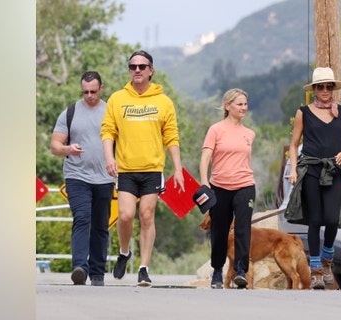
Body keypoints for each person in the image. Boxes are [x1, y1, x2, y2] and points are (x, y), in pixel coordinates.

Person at [101, 50, 185, 287]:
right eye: (132, 66)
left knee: (147, 216)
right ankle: (124, 252)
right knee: (126, 215)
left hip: (152, 168)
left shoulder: (163, 102)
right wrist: (109, 157)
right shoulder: (117, 99)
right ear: (129, 70)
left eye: (141, 66)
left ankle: (143, 268)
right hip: (126, 168)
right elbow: (108, 131)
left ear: (151, 70)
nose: (136, 70)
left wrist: (177, 169)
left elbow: (171, 136)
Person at [286, 67, 341, 290]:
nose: (325, 90)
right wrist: (294, 170)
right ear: (314, 89)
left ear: (333, 88)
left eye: (329, 86)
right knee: (314, 220)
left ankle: (327, 260)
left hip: (333, 170)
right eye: (320, 86)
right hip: (311, 169)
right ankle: (315, 270)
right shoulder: (302, 112)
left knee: (333, 219)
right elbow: (294, 145)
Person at [50, 71, 115, 286]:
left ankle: (97, 273)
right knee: (82, 218)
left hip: (105, 177)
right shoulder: (70, 112)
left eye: (93, 91)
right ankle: (79, 267)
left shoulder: (111, 112)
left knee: (100, 225)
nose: (89, 95)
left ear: (101, 89)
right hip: (76, 175)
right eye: (85, 91)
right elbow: (55, 146)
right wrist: (68, 148)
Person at [198, 88, 256, 289]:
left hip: (245, 186)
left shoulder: (249, 133)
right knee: (219, 231)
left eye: (245, 104)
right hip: (219, 187)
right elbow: (206, 157)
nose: (243, 108)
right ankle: (216, 271)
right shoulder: (216, 130)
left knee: (242, 229)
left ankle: (241, 271)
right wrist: (205, 181)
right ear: (227, 106)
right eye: (239, 104)